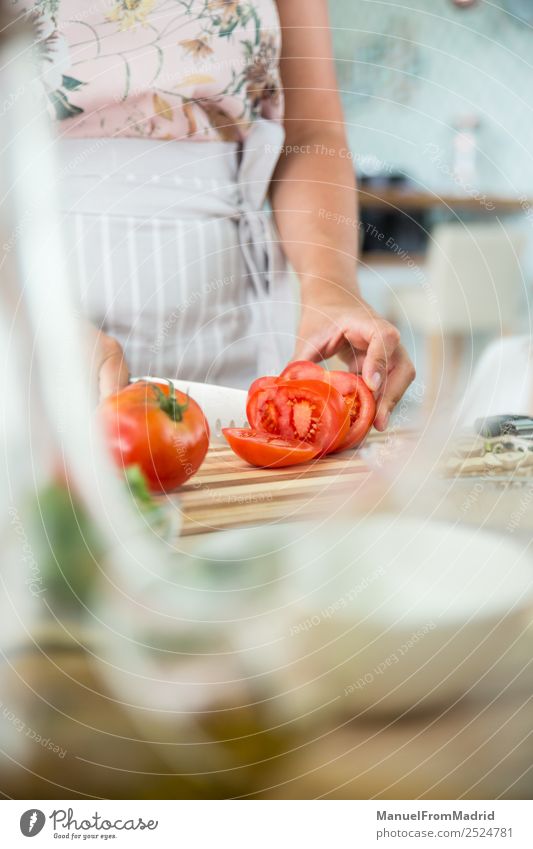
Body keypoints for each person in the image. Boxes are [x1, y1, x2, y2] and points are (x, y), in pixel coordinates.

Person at [24, 0, 415, 431]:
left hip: (236, 320)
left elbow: (309, 134)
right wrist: (23, 315)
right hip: (28, 306)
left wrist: (331, 287)